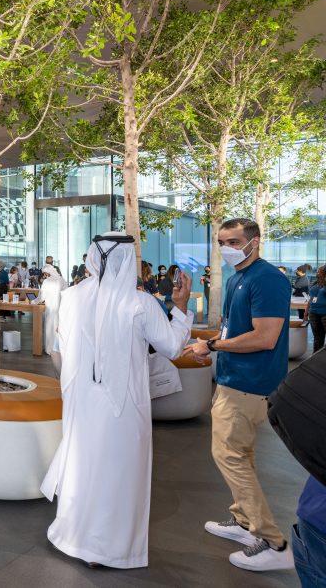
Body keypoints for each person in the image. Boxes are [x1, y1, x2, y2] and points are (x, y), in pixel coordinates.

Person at [41, 232, 194, 569]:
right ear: (129, 260)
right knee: (118, 474)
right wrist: (181, 309)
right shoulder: (139, 304)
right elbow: (171, 347)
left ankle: (74, 537)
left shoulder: (72, 297)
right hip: (123, 410)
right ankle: (107, 550)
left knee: (84, 467)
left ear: (92, 258)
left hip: (82, 404)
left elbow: (60, 352)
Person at [187, 218, 293, 571]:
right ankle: (244, 521)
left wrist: (213, 345)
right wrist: (212, 344)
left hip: (251, 383)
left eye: (233, 241)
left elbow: (265, 337)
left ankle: (273, 542)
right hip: (233, 378)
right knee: (240, 454)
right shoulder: (237, 280)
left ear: (255, 242)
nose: (226, 248)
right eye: (221, 241)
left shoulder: (269, 279)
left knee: (228, 454)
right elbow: (235, 328)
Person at [33, 264, 67, 357]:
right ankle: (59, 349)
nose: (44, 275)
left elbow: (41, 297)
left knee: (49, 328)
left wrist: (33, 302)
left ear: (47, 273)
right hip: (61, 308)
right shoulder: (61, 279)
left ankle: (49, 349)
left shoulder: (47, 281)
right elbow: (66, 292)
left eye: (44, 273)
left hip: (50, 308)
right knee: (59, 328)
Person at [308, 265, 326, 352]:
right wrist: (305, 313)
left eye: (320, 271)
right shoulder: (315, 283)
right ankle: (315, 361)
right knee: (317, 338)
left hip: (324, 313)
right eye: (317, 271)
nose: (317, 273)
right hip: (313, 313)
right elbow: (311, 298)